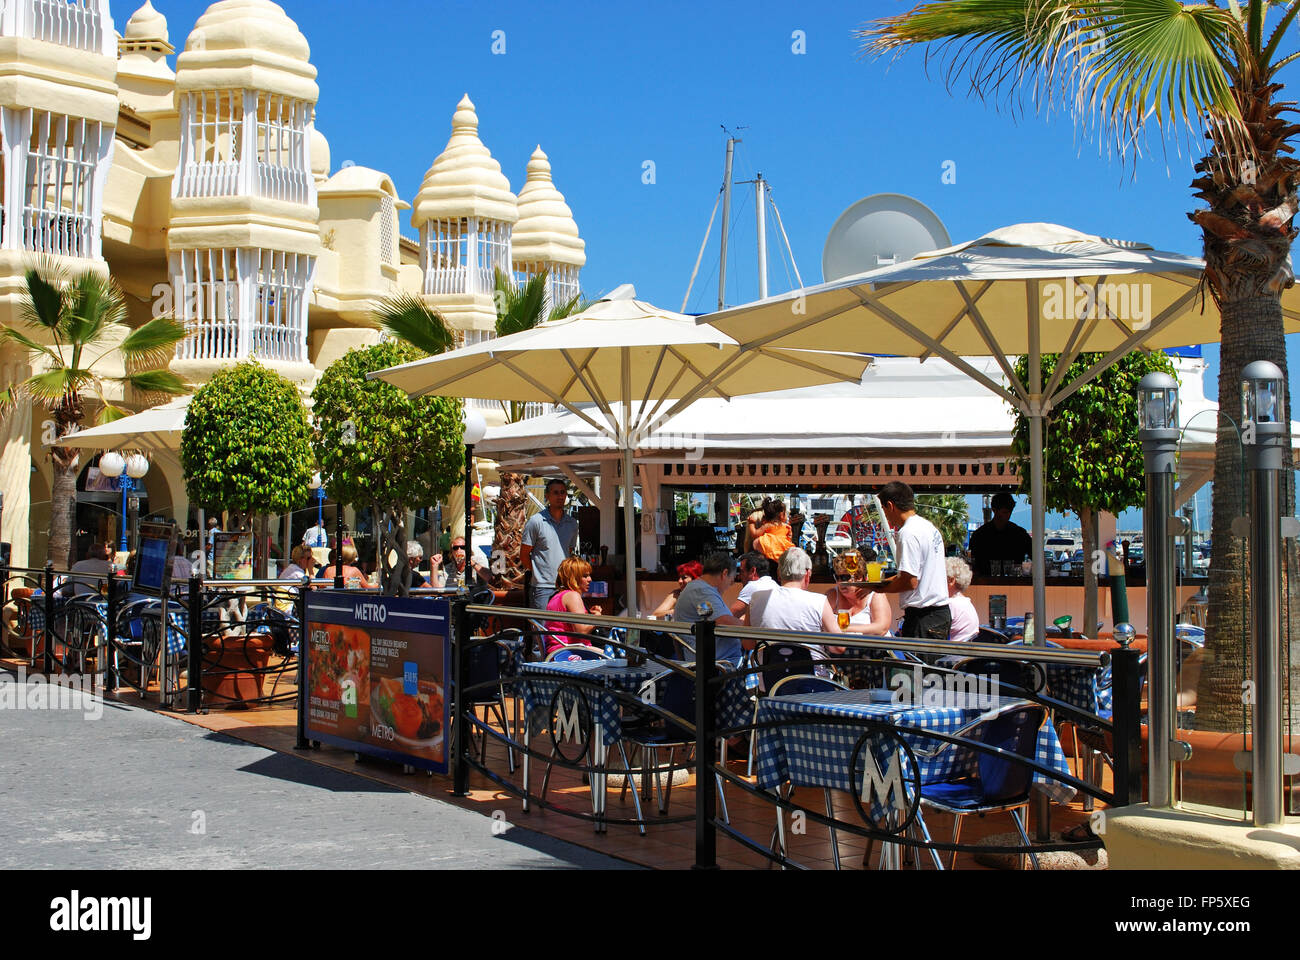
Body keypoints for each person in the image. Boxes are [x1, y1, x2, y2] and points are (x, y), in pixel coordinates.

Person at [870, 481, 951, 640]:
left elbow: (910, 581)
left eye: (884, 510)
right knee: (930, 665)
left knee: (917, 665)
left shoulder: (908, 533)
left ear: (890, 505)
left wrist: (880, 589)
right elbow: (913, 576)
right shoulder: (928, 527)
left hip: (923, 617)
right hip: (938, 613)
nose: (885, 515)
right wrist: (881, 583)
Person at [749, 547, 843, 665]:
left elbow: (748, 643)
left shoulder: (756, 598)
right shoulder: (819, 602)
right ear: (808, 574)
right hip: (812, 679)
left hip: (771, 680)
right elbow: (839, 647)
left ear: (779, 573)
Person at [671, 552, 745, 662]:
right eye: (732, 580)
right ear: (724, 573)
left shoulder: (698, 590)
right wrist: (753, 626)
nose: (731, 584)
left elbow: (708, 616)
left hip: (707, 659)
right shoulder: (701, 591)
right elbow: (722, 621)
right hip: (717, 663)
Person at [520, 478, 579, 609]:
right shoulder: (536, 522)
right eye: (555, 492)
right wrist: (538, 573)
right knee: (542, 628)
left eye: (562, 492)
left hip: (564, 586)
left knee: (560, 628)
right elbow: (524, 555)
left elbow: (568, 552)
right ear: (547, 496)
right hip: (542, 588)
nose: (560, 496)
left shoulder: (572, 524)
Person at [543, 557, 603, 656]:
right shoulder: (573, 596)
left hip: (556, 652)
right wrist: (597, 618)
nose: (590, 579)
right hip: (570, 653)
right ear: (573, 578)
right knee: (617, 657)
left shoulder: (557, 596)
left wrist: (588, 614)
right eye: (585, 576)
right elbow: (581, 631)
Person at [968, 492, 1032, 577]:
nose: (1008, 515)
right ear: (994, 510)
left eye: (1010, 512)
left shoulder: (1020, 534)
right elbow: (972, 562)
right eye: (1004, 512)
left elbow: (1036, 556)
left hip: (1014, 582)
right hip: (986, 582)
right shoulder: (980, 535)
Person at [826, 580, 893, 635]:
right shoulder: (832, 595)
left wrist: (844, 629)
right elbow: (820, 624)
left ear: (860, 578)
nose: (840, 582)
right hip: (839, 648)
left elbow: (881, 629)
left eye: (845, 577)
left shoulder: (875, 595)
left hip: (873, 647)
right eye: (837, 577)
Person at [730, 551, 775, 623]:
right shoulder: (773, 584)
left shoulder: (753, 586)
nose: (739, 577)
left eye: (742, 572)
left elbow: (730, 616)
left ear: (752, 571)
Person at [946, 556, 979, 643]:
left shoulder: (951, 605)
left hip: (952, 654)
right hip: (966, 653)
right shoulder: (966, 602)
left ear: (951, 581)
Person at [751, 499, 795, 563]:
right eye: (786, 513)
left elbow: (755, 534)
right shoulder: (787, 527)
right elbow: (789, 539)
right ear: (781, 515)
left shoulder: (768, 525)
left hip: (769, 547)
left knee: (756, 542)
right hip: (783, 548)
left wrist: (751, 523)